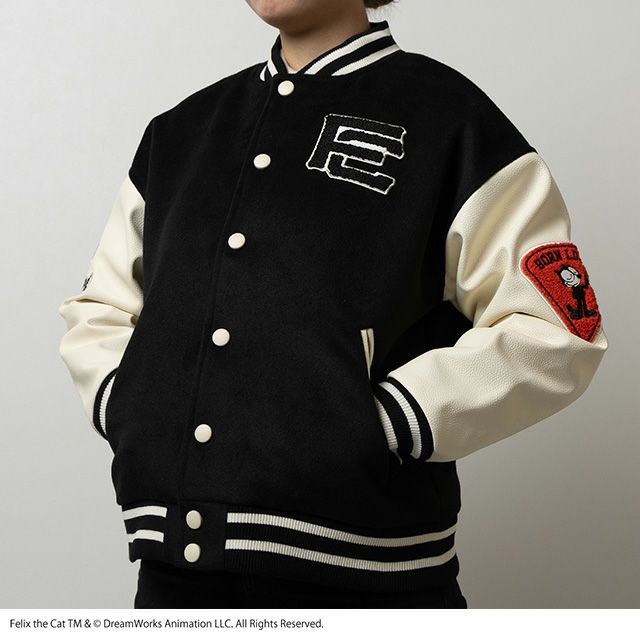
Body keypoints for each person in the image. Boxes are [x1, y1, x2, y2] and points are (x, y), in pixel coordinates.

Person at [57, 0, 608, 609]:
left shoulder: (450, 119)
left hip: (372, 584)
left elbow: (557, 326)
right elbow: (101, 309)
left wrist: (383, 422)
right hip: (174, 578)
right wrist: (132, 408)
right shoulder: (179, 134)